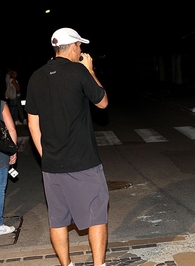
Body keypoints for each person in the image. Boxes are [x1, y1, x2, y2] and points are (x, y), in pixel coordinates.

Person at [25, 27, 109, 266]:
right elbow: (102, 102)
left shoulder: (36, 77)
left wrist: (46, 156)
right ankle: (98, 264)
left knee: (58, 219)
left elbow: (33, 123)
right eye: (80, 46)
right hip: (84, 162)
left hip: (51, 164)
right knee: (97, 214)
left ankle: (67, 265)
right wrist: (90, 70)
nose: (81, 50)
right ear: (72, 46)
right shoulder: (79, 71)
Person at [0, 100, 17, 235]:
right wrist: (13, 150)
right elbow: (11, 128)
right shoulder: (1, 105)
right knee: (0, 189)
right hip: (0, 156)